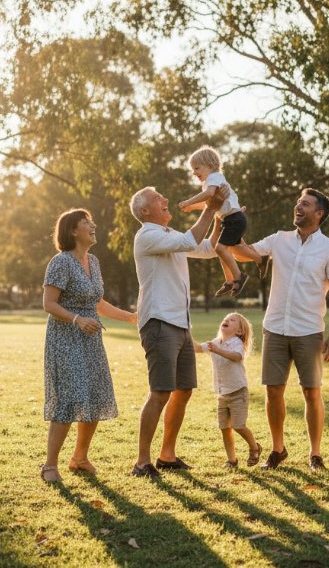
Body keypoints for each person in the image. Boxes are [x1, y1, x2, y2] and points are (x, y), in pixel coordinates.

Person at [233, 188, 329, 471]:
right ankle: (278, 449)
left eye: (305, 204)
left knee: (312, 392)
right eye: (297, 202)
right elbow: (243, 252)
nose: (298, 207)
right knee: (274, 391)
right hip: (275, 328)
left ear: (319, 213)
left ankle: (315, 454)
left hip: (309, 330)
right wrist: (232, 223)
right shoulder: (279, 239)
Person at [129, 184, 228, 478]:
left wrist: (222, 216)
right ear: (146, 210)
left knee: (183, 390)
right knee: (160, 392)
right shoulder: (147, 235)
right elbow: (191, 239)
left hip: (181, 324)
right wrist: (209, 208)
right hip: (159, 322)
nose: (166, 199)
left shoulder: (171, 236)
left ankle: (167, 455)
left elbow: (208, 249)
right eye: (159, 198)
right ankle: (142, 461)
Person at [39, 209, 136, 483]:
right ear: (72, 231)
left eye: (91, 221)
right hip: (65, 338)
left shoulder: (92, 260)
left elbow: (96, 302)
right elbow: (48, 304)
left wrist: (129, 316)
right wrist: (77, 320)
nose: (93, 226)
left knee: (93, 394)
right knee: (69, 397)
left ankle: (80, 458)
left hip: (91, 339)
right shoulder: (61, 262)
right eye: (86, 223)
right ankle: (49, 465)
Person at [178, 146, 249, 297]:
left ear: (210, 165)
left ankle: (238, 277)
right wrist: (193, 207)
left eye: (197, 168)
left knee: (222, 249)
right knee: (221, 250)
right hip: (229, 217)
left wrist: (188, 202)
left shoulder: (214, 178)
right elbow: (209, 204)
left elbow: (209, 195)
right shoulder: (211, 180)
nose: (194, 172)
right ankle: (230, 281)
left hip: (232, 218)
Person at [194, 312, 262, 468]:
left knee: (238, 426)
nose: (227, 320)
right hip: (222, 394)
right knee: (225, 428)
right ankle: (232, 460)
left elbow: (237, 357)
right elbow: (197, 348)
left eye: (232, 320)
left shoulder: (236, 343)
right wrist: (184, 331)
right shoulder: (215, 342)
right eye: (226, 319)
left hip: (238, 392)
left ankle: (254, 447)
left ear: (239, 331)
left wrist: (218, 351)